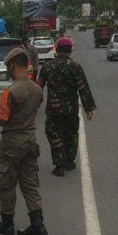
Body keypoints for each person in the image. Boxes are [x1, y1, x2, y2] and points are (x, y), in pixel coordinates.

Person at [0, 48, 48, 235]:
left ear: (13, 65)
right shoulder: (36, 89)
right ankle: (37, 224)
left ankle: (7, 223)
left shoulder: (9, 91)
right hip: (30, 141)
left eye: (7, 66)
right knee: (29, 183)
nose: (7, 70)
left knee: (6, 183)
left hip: (11, 143)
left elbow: (2, 119)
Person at [37, 37, 96, 177]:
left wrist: (32, 105)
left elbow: (38, 88)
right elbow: (83, 88)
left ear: (56, 50)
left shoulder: (47, 66)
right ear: (70, 50)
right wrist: (88, 108)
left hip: (53, 110)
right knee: (71, 134)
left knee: (54, 134)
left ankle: (59, 165)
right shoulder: (75, 66)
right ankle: (69, 161)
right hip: (71, 109)